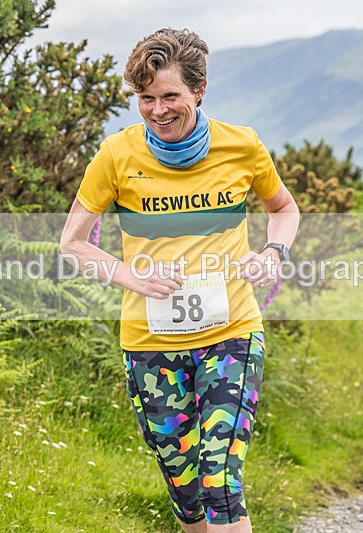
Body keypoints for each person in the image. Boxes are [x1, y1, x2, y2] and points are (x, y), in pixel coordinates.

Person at [60, 28, 299, 532]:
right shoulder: (116, 155)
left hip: (231, 331)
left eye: (171, 96)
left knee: (221, 483)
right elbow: (73, 243)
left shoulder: (242, 146)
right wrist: (129, 276)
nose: (158, 110)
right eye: (146, 98)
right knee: (185, 488)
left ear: (199, 90)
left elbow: (283, 209)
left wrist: (273, 252)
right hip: (151, 343)